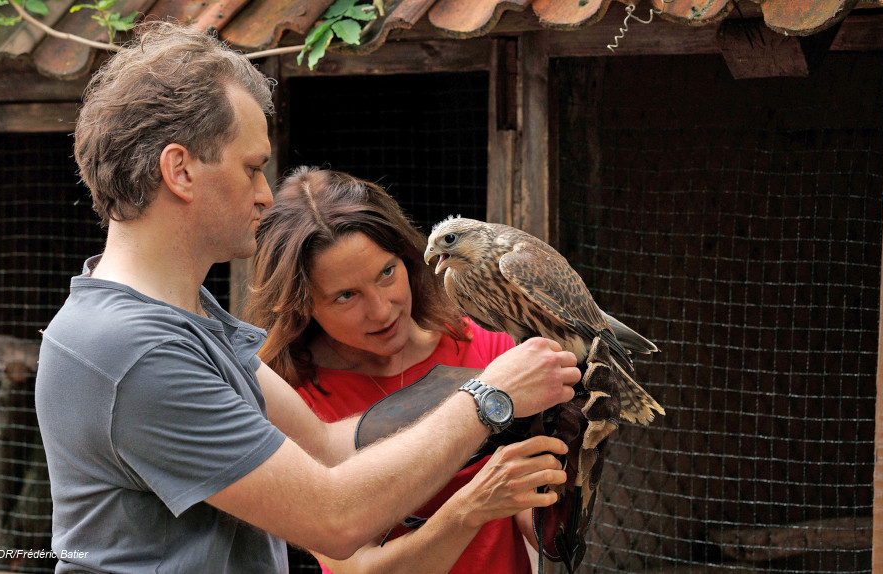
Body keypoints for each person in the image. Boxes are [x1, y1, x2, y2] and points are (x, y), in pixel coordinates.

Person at [33, 21, 580, 574]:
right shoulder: (134, 351)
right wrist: (489, 400)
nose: (265, 194)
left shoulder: (188, 315)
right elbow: (333, 519)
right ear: (180, 170)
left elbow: (326, 444)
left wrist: (501, 393)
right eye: (251, 169)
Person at [245, 166, 543, 574]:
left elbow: (536, 519)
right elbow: (362, 569)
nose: (382, 311)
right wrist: (473, 506)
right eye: (346, 296)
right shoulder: (291, 402)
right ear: (299, 305)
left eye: (387, 273)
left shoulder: (485, 346)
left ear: (410, 258)